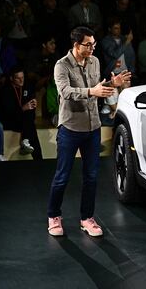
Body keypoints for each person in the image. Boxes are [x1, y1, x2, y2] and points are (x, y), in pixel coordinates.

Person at [47, 26, 131, 237]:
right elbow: (65, 92)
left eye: (94, 44)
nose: (93, 48)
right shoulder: (61, 66)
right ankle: (54, 216)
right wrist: (91, 91)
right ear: (76, 45)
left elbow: (97, 88)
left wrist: (113, 83)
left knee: (91, 177)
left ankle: (86, 218)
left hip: (92, 128)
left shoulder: (94, 61)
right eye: (88, 44)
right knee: (62, 176)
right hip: (70, 128)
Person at [0, 65, 43, 160]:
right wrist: (23, 108)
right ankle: (38, 159)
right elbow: (7, 113)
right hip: (10, 121)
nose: (21, 80)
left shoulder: (27, 87)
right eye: (18, 78)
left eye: (22, 77)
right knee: (31, 126)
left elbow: (31, 107)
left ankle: (26, 141)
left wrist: (33, 104)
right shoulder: (5, 91)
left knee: (29, 118)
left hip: (24, 121)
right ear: (11, 78)